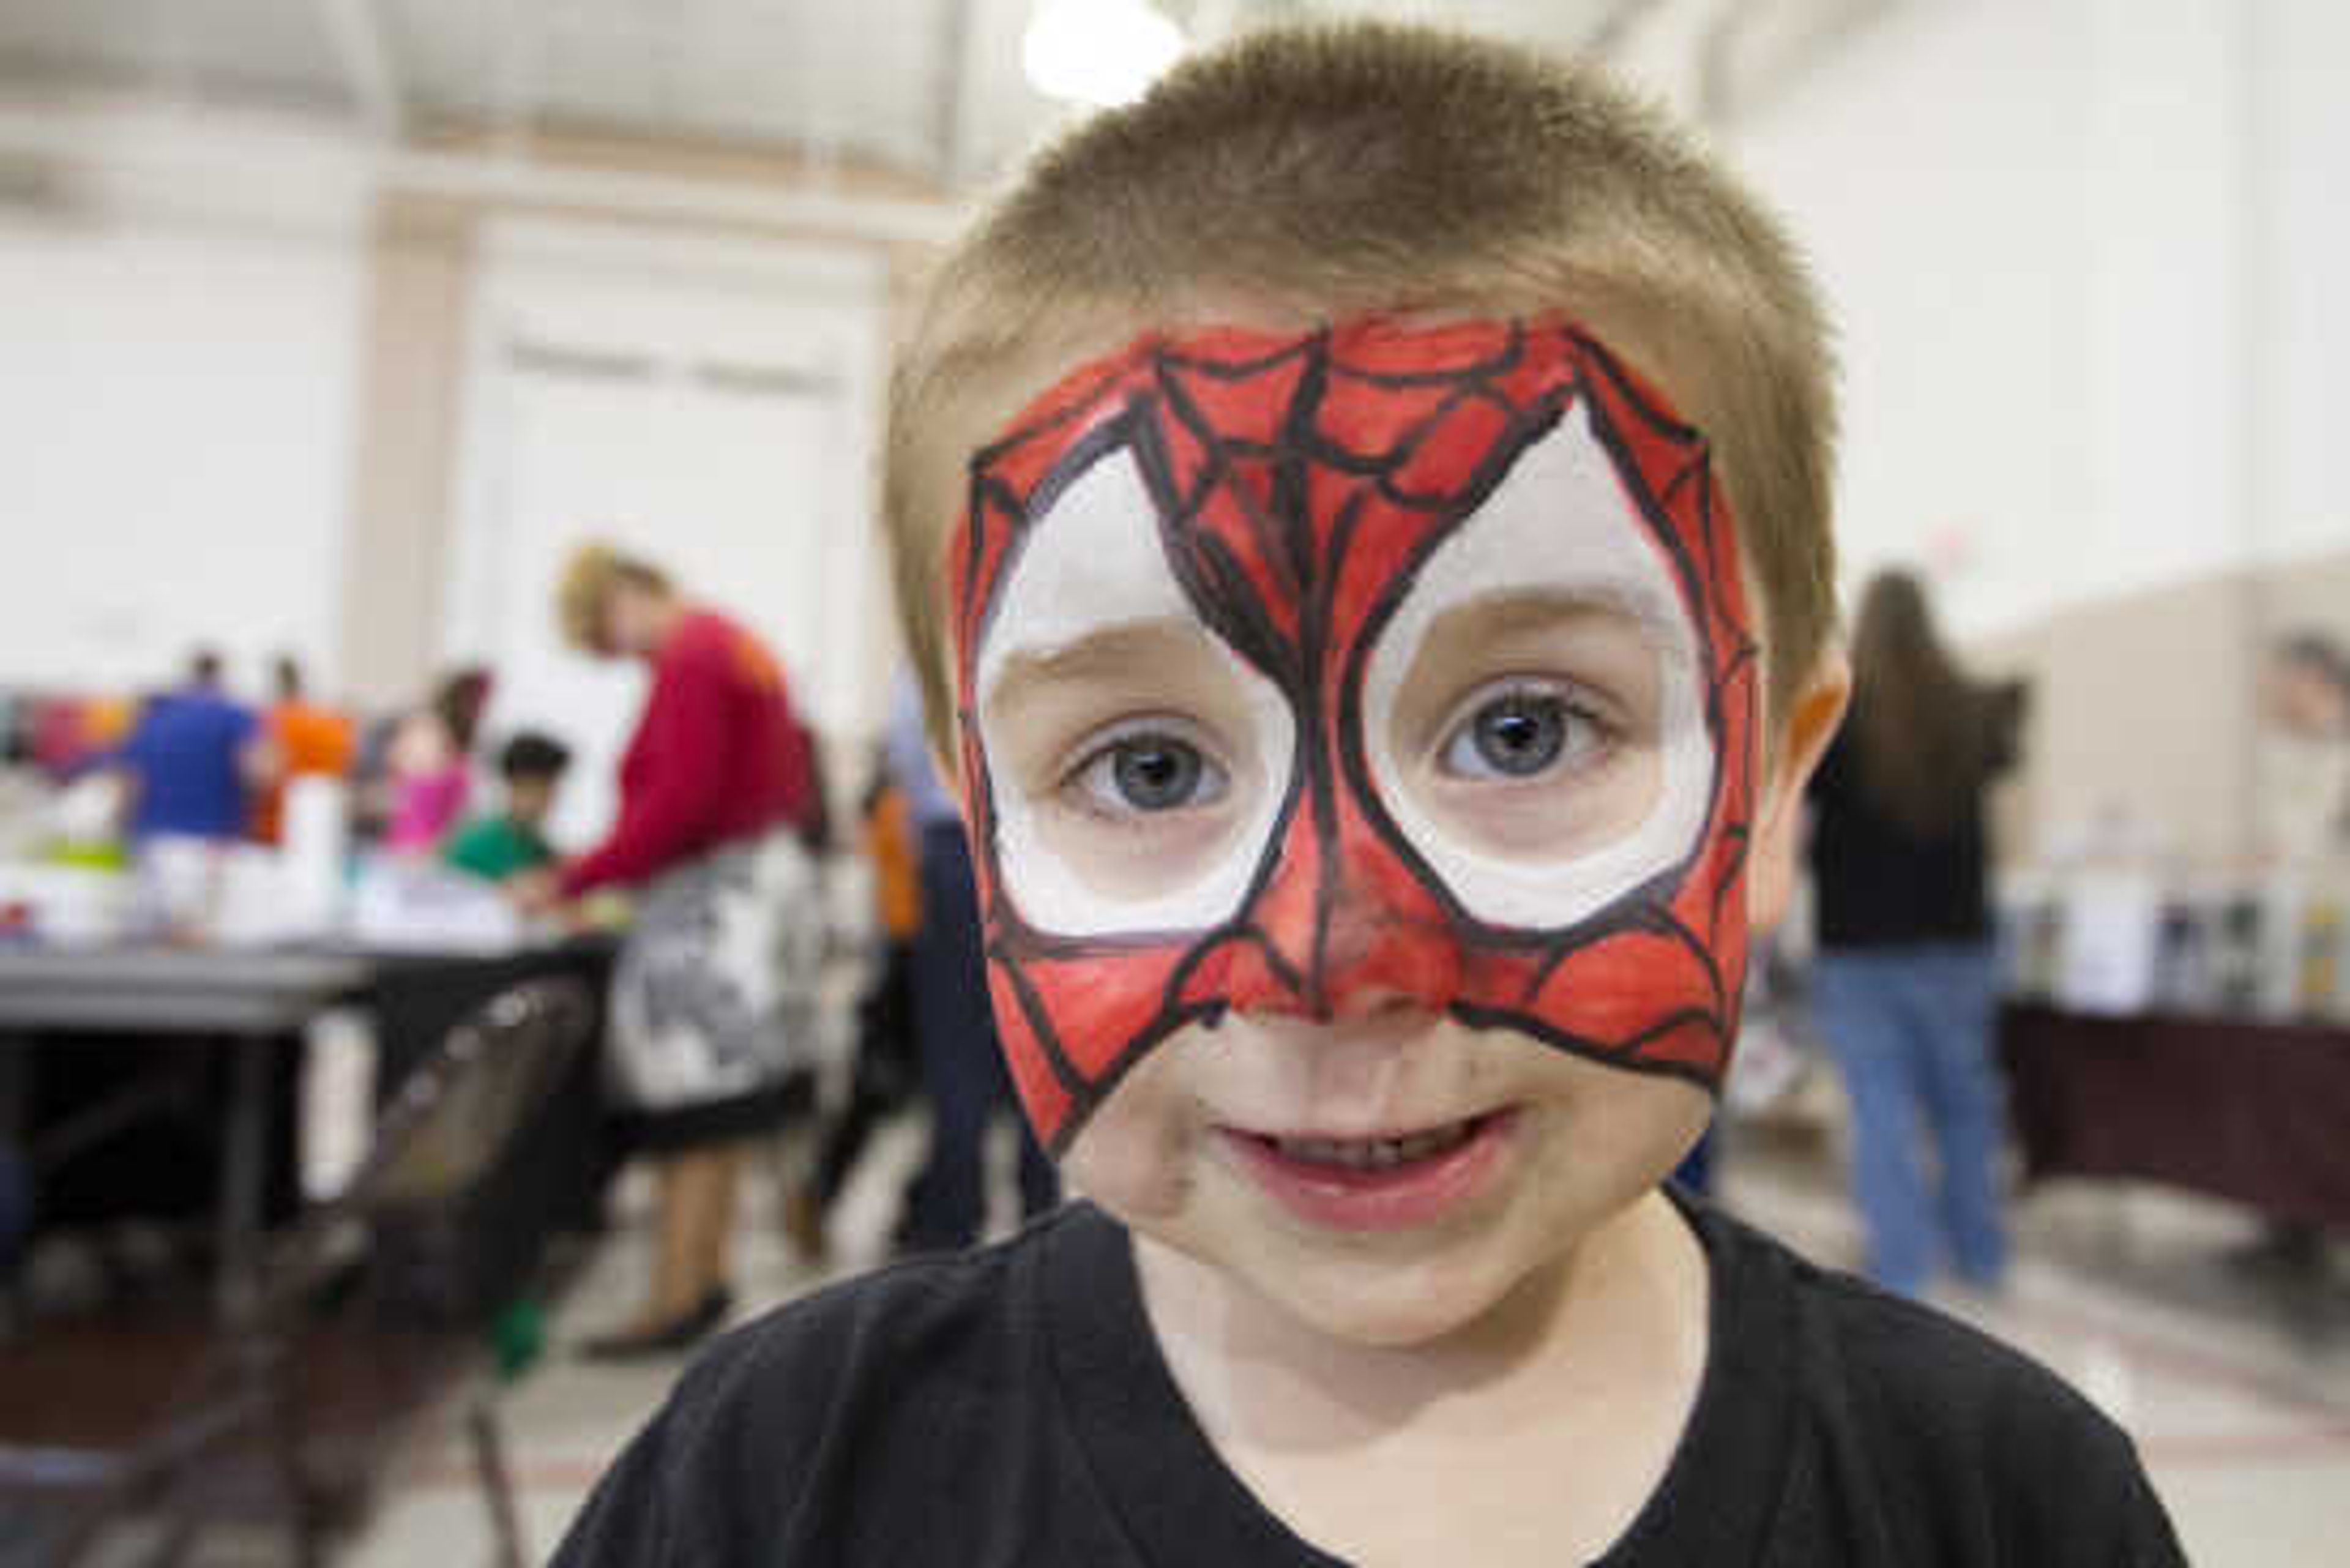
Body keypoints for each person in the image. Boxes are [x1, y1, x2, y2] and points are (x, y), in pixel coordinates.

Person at [553, 25, 2183, 1566]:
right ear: (980, 838)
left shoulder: (2008, 1503)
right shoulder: (771, 1489)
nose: (1334, 956)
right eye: (1150, 767)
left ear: (1769, 800)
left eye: (1527, 731)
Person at [521, 543, 821, 1358]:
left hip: (711, 903)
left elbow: (679, 802)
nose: (619, 653)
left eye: (605, 633)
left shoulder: (691, 654)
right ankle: (700, 1279)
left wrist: (573, 879)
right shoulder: (731, 641)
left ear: (626, 591)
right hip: (748, 890)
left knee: (690, 1105)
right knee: (723, 1104)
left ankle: (675, 1294)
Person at [1807, 570, 2021, 1299]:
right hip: (1960, 942)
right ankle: (1983, 1256)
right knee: (1967, 1105)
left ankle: (1902, 1267)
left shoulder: (1841, 718)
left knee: (1881, 1107)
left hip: (1860, 947)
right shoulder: (1973, 710)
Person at [887, 673, 1059, 1252]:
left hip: (956, 850)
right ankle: (1042, 1218)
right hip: (1040, 847)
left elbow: (912, 756)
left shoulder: (940, 637)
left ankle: (950, 1224)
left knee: (956, 1050)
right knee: (1034, 1038)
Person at [785, 763, 923, 1263]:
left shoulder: (894, 799)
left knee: (892, 1098)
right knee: (877, 1092)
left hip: (912, 955)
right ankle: (816, 1198)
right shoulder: (897, 804)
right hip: (905, 960)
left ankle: (834, 1200)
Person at [111, 649, 263, 843]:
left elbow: (130, 781)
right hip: (213, 838)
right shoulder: (234, 716)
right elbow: (256, 772)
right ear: (219, 675)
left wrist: (122, 827)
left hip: (154, 835)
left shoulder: (156, 715)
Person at [380, 666, 491, 855]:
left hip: (439, 851)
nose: (482, 710)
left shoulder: (467, 748)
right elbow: (400, 776)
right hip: (410, 848)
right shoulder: (428, 730)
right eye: (479, 703)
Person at [248, 654, 356, 844]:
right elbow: (345, 767)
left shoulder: (273, 721)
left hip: (277, 828)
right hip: (322, 826)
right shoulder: (327, 721)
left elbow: (265, 775)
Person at [442, 730, 571, 882]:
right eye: (542, 786)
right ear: (513, 785)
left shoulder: (539, 847)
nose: (551, 797)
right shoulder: (477, 842)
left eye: (553, 787)